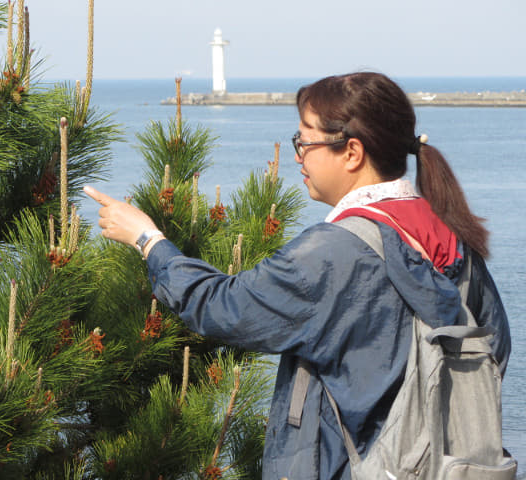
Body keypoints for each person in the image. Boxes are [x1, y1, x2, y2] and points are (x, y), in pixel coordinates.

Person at [83, 71, 511, 480]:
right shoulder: (451, 237)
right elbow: (493, 351)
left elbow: (225, 308)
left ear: (352, 153)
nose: (296, 155)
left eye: (304, 142)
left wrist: (148, 239)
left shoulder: (334, 251)